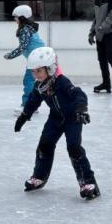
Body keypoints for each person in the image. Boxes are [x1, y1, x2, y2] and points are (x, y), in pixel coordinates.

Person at [14, 47, 100, 201]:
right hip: (55, 118)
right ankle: (39, 176)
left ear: (50, 68)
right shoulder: (39, 86)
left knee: (74, 147)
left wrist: (81, 109)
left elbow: (78, 94)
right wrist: (24, 116)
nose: (36, 75)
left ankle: (87, 182)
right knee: (45, 145)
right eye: (33, 72)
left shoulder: (61, 82)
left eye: (39, 71)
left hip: (72, 118)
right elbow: (33, 101)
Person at [3, 4, 45, 108]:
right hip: (37, 57)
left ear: (22, 17)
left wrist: (10, 55)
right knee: (32, 81)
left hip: (36, 59)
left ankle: (28, 105)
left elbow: (23, 47)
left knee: (29, 81)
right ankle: (31, 104)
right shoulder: (29, 28)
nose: (15, 19)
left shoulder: (25, 30)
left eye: (16, 17)